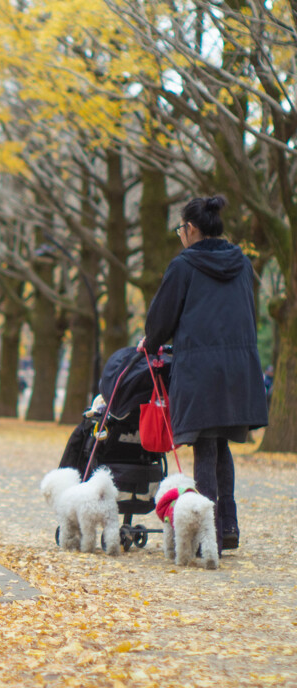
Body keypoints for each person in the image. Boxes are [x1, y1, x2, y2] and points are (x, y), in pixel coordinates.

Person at [139, 195, 268, 554]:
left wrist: (149, 343)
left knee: (205, 445)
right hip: (238, 366)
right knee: (221, 442)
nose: (181, 234)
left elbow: (161, 318)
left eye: (181, 228)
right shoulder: (241, 263)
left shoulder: (184, 265)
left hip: (200, 367)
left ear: (191, 229)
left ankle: (205, 532)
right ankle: (227, 524)